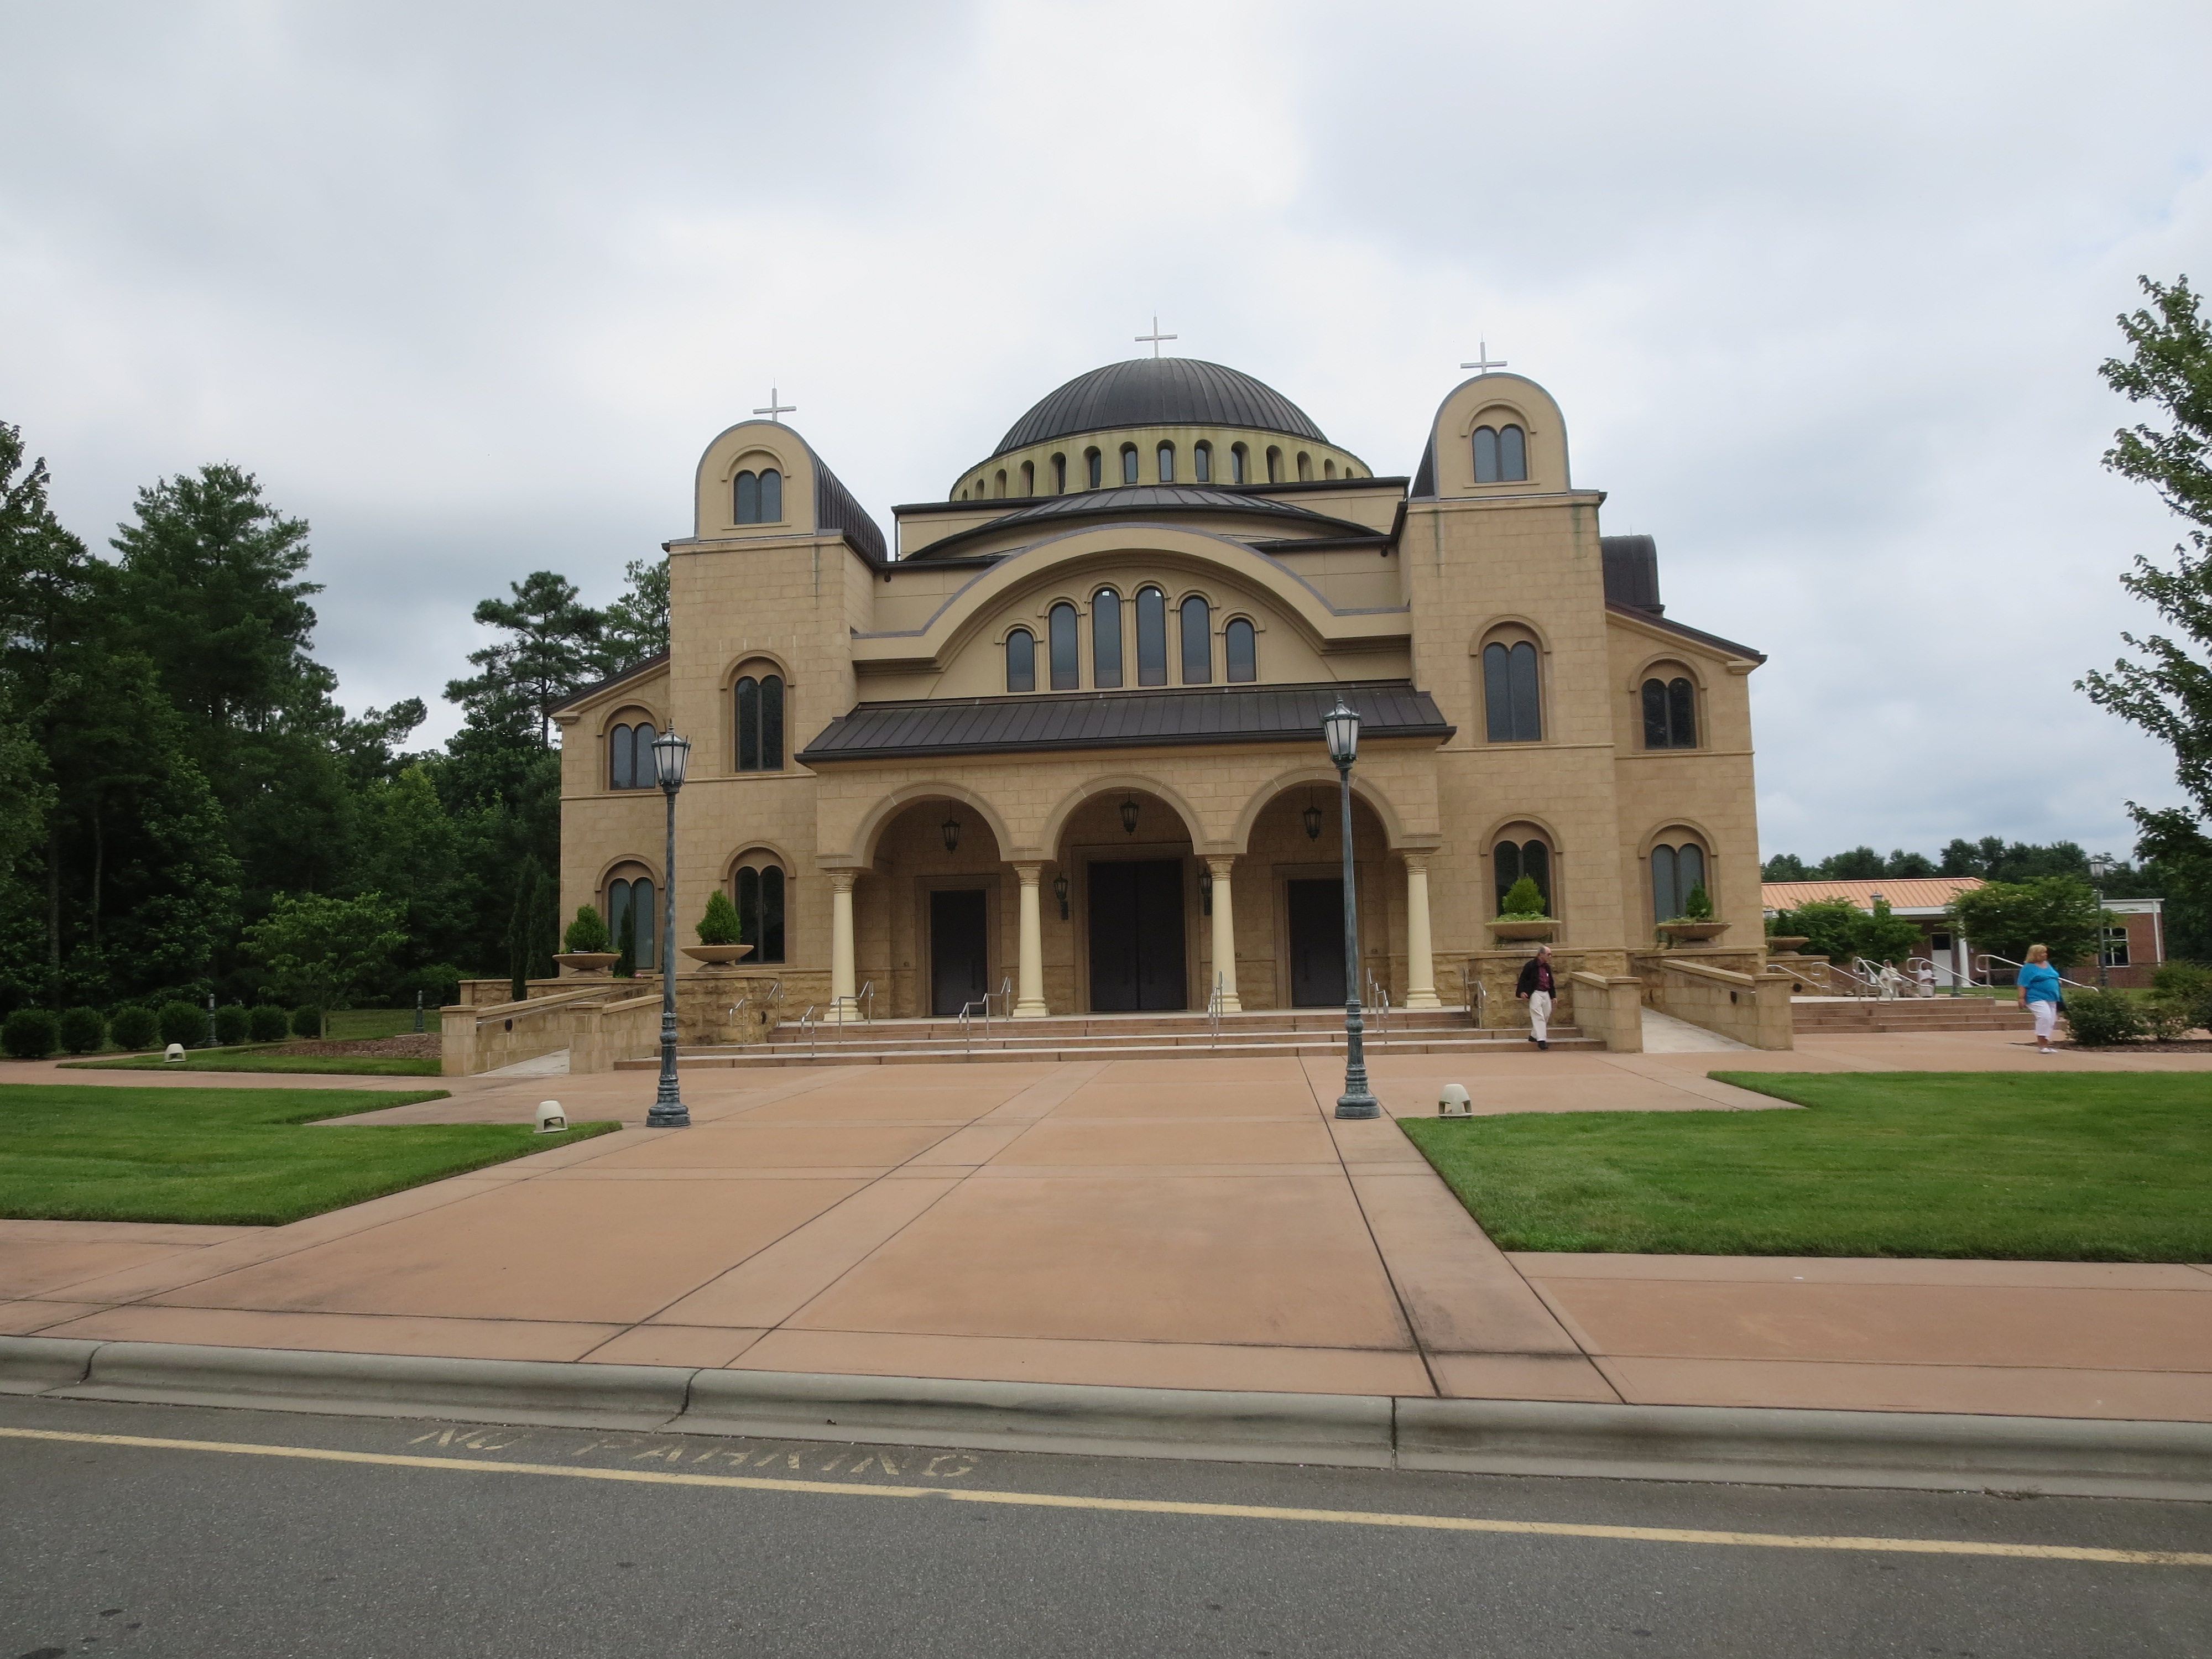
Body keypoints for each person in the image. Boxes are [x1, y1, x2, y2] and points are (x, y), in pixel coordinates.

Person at [2016, 943, 2063, 1054]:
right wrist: (2021, 998)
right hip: (2036, 996)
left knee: (2051, 1020)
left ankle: (2046, 1043)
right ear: (2036, 954)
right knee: (2044, 1017)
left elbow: (2053, 975)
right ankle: (2041, 1045)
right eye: (2043, 952)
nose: (2045, 954)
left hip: (2052, 996)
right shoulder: (2028, 968)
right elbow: (2022, 983)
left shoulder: (2047, 964)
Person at [1516, 945, 1556, 1052]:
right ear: (1541, 954)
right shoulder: (1531, 966)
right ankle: (1542, 1040)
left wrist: (1553, 996)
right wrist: (1522, 992)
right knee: (1538, 1015)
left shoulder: (1547, 967)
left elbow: (1551, 982)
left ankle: (1534, 1036)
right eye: (1548, 954)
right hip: (1535, 993)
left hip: (1546, 993)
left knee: (1546, 1014)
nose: (1550, 956)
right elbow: (1523, 979)